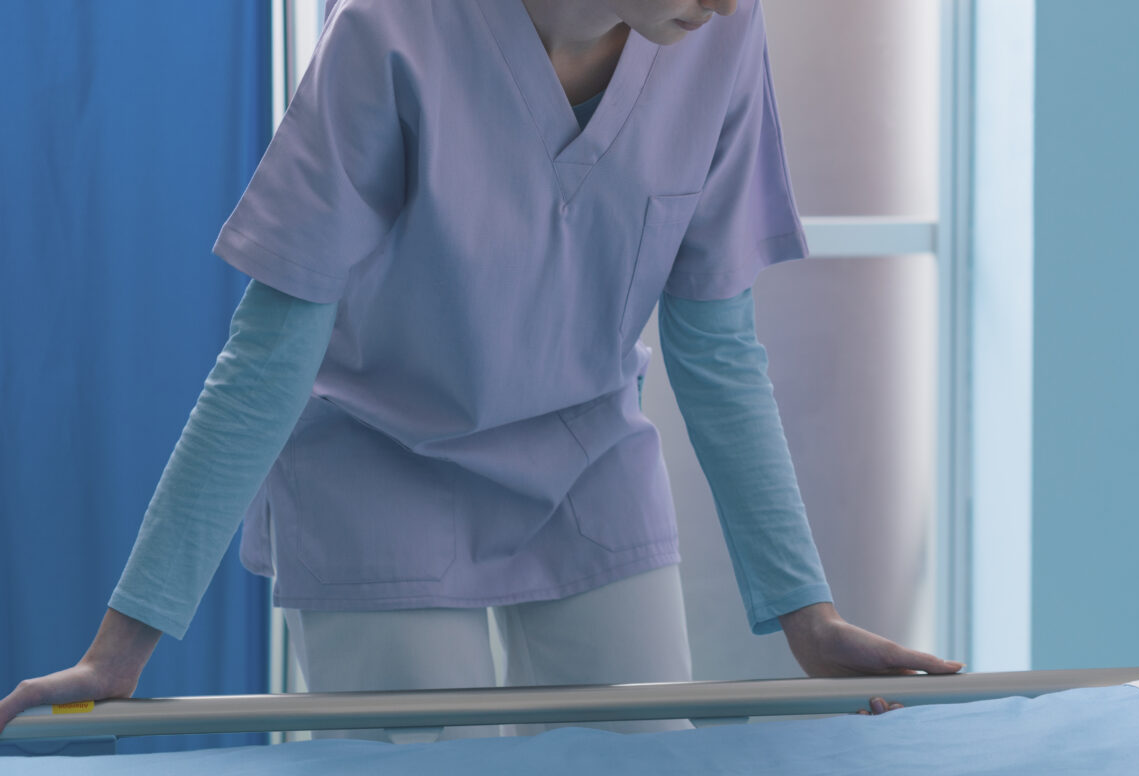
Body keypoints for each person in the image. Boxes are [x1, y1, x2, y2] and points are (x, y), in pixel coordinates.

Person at [0, 0, 959, 740]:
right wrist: (121, 650)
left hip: (588, 458)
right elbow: (268, 355)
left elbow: (717, 350)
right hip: (378, 462)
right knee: (436, 754)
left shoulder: (722, 39)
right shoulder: (390, 32)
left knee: (644, 756)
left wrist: (809, 617)